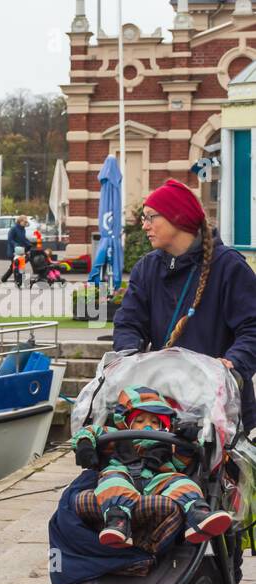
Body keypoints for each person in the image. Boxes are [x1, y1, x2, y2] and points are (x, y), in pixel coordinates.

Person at [112, 178, 256, 433]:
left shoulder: (229, 266)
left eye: (150, 217)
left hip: (222, 409)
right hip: (161, 407)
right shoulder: (146, 268)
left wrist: (233, 365)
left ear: (177, 217)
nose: (144, 226)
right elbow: (128, 323)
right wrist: (128, 358)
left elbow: (252, 328)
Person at [72, 386, 232, 553]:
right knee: (111, 481)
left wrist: (186, 443)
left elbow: (180, 464)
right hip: (123, 474)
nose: (147, 426)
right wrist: (84, 443)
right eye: (140, 421)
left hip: (158, 479)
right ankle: (117, 521)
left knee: (182, 482)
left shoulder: (168, 441)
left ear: (163, 424)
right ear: (126, 422)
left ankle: (197, 514)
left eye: (154, 422)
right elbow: (90, 431)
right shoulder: (115, 434)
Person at [0, 215, 33, 284]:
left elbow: (23, 239)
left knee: (15, 266)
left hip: (20, 251)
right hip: (13, 251)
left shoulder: (23, 229)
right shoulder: (13, 228)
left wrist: (29, 243)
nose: (25, 223)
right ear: (20, 221)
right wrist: (16, 245)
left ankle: (4, 279)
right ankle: (18, 281)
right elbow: (10, 239)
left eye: (26, 222)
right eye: (24, 221)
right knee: (17, 266)